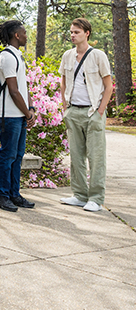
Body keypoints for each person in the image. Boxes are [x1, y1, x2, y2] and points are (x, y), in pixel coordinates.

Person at [59, 18, 113, 212]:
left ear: (87, 33)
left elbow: (108, 86)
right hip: (73, 111)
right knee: (76, 156)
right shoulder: (67, 56)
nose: (72, 35)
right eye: (71, 32)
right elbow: (63, 81)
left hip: (93, 112)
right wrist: (66, 107)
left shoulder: (98, 56)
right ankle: (80, 195)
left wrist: (100, 111)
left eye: (76, 32)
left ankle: (96, 199)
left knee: (96, 157)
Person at [0, 20, 36, 212]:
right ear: (16, 35)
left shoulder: (18, 56)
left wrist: (31, 109)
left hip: (19, 115)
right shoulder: (8, 57)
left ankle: (14, 194)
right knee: (8, 155)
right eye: (24, 33)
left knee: (17, 156)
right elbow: (13, 90)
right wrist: (27, 114)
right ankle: (1, 195)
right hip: (9, 115)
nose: (26, 36)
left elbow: (24, 87)